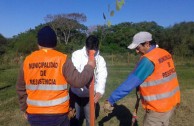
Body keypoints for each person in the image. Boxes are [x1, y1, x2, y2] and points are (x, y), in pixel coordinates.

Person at [16, 26, 96, 126]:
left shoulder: (27, 61)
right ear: (55, 43)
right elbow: (78, 81)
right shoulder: (62, 59)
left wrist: (24, 109)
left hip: (34, 114)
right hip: (58, 115)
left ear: (38, 44)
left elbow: (20, 88)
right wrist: (90, 66)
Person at [104, 31, 180, 126]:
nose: (136, 51)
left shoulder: (149, 60)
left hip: (158, 109)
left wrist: (111, 99)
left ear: (147, 44)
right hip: (170, 103)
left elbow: (130, 83)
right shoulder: (164, 53)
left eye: (138, 47)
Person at [69, 35, 107, 126]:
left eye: (94, 52)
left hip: (90, 96)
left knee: (90, 120)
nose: (92, 54)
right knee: (74, 119)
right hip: (75, 93)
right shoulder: (76, 55)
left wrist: (99, 92)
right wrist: (86, 83)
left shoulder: (100, 60)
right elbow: (76, 74)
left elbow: (102, 76)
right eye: (89, 51)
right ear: (86, 47)